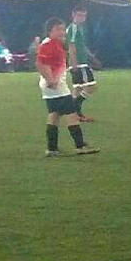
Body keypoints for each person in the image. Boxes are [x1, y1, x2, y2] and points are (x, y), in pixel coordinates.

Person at [35, 19, 98, 158]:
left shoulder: (54, 43)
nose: (62, 32)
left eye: (62, 29)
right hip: (55, 84)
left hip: (53, 84)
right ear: (50, 31)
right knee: (71, 114)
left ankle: (51, 148)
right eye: (58, 29)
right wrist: (51, 80)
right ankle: (80, 146)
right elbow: (40, 64)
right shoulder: (48, 44)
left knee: (54, 114)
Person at [65, 7, 97, 121]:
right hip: (79, 63)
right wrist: (74, 64)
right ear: (73, 15)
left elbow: (81, 45)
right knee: (91, 86)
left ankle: (74, 115)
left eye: (84, 16)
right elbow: (71, 46)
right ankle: (75, 107)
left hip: (81, 61)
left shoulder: (80, 28)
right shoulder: (73, 28)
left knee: (77, 89)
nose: (82, 18)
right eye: (79, 15)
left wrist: (91, 56)